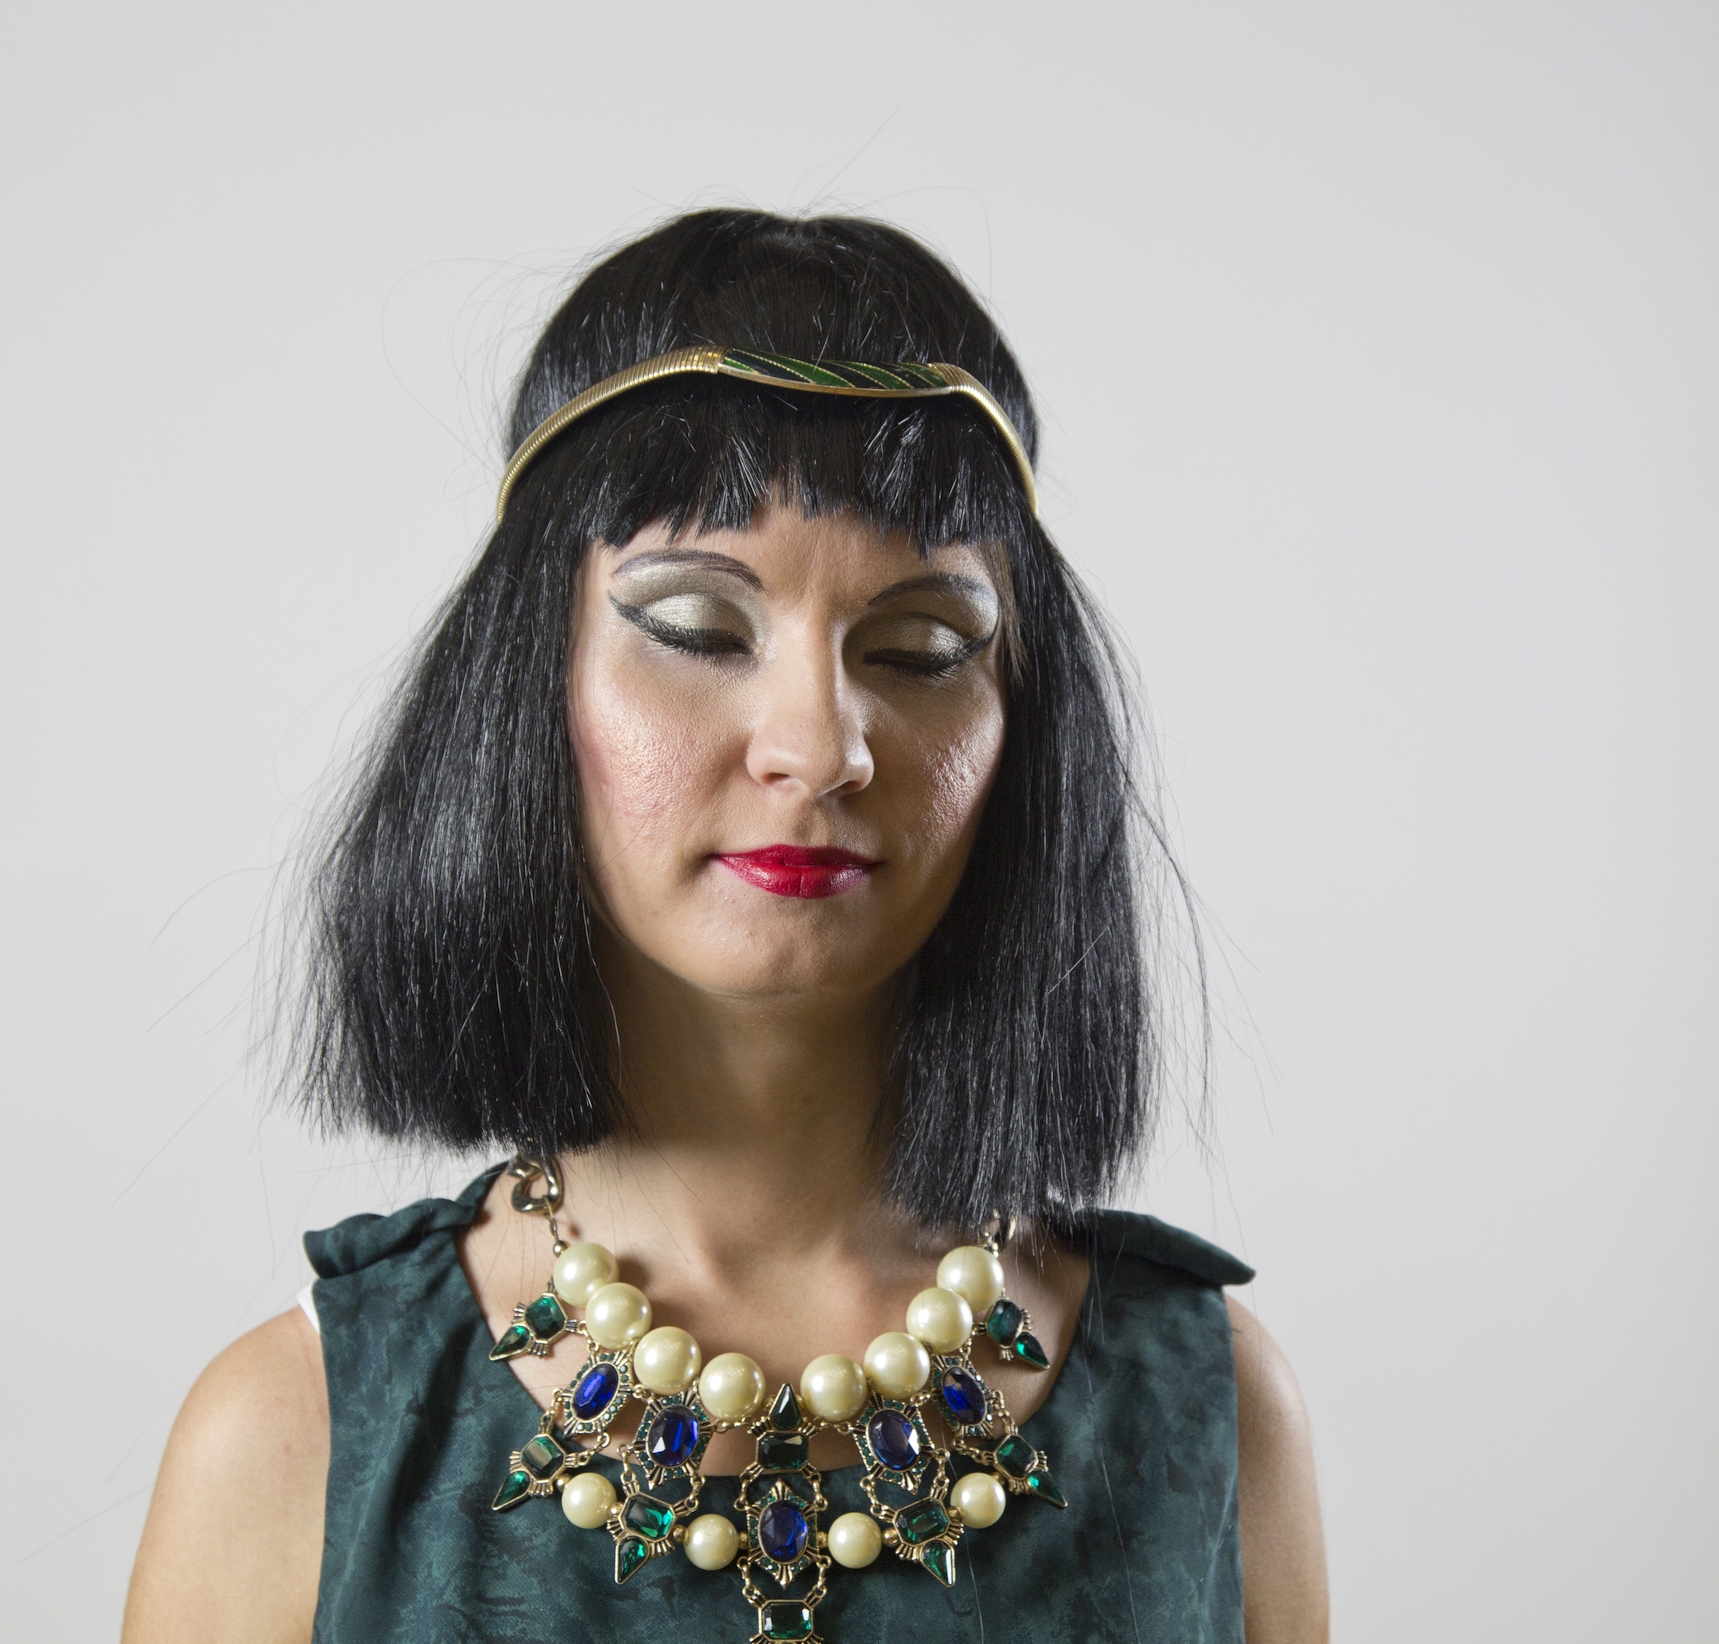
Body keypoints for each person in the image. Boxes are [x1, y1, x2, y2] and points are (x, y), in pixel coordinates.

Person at [122, 209, 1328, 1643]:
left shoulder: (1213, 1412)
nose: (819, 747)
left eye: (922, 649)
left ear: (1025, 729)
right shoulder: (294, 1440)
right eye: (697, 630)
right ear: (526, 685)